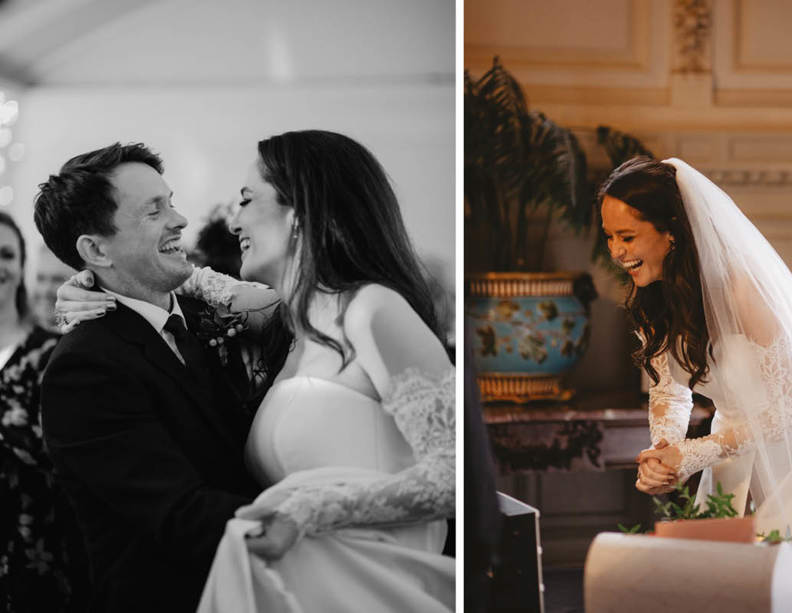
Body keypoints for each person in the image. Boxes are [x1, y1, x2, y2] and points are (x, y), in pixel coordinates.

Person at [57, 130, 456, 612]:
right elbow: (199, 290)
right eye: (155, 210)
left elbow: (455, 472)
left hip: (375, 589)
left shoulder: (372, 310)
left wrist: (311, 511)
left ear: (299, 214)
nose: (233, 220)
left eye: (246, 200)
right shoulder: (291, 327)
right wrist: (92, 279)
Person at [599, 156, 792, 593]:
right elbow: (669, 392)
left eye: (627, 236)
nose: (617, 252)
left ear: (670, 232)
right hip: (730, 463)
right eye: (610, 237)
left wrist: (692, 456)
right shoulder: (651, 299)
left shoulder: (742, 290)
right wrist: (664, 453)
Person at [34, 143, 261, 613]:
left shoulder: (215, 315)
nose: (179, 220)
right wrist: (322, 523)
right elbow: (181, 515)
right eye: (153, 211)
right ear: (96, 249)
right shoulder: (85, 369)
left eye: (171, 201)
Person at [0, 212, 88, 612]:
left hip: (34, 551)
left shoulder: (52, 354)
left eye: (6, 254)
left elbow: (68, 460)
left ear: (20, 268)